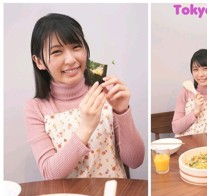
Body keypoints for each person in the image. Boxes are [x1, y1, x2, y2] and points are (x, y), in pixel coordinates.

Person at [24, 13, 145, 180]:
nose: (71, 59)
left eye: (76, 47)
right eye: (57, 52)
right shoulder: (35, 108)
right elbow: (50, 174)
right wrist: (86, 128)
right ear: (39, 62)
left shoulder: (106, 91)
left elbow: (135, 160)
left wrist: (122, 111)